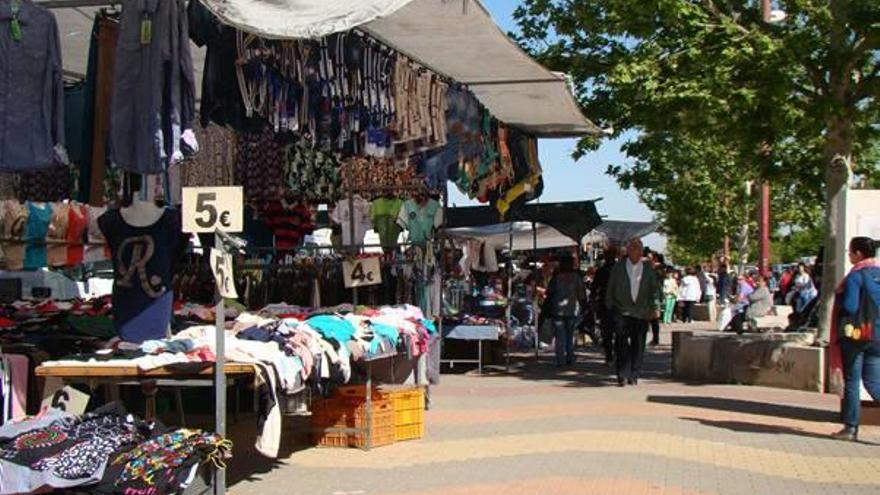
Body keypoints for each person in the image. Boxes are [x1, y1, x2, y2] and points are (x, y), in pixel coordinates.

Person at [832, 237, 880, 442]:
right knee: (874, 382)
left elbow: (850, 306)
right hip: (877, 335)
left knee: (852, 380)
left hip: (856, 335)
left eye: (850, 252)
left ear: (859, 254)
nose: (849, 256)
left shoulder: (855, 276)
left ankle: (851, 428)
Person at [605, 238, 661, 386]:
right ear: (628, 251)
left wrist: (656, 308)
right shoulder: (619, 267)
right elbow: (611, 287)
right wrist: (609, 305)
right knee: (621, 343)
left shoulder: (648, 269)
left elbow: (655, 290)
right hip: (622, 310)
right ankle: (622, 374)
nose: (635, 251)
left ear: (641, 252)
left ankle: (634, 374)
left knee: (638, 344)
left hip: (641, 311)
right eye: (632, 248)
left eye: (638, 248)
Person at [545, 253, 587, 367]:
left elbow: (549, 292)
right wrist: (584, 307)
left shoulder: (556, 277)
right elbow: (581, 294)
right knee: (570, 336)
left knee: (560, 336)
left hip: (558, 310)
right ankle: (569, 356)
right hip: (571, 310)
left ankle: (560, 359)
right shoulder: (576, 277)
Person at [591, 247, 618, 364]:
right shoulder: (620, 270)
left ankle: (609, 355)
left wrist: (592, 300)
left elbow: (594, 288)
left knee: (606, 331)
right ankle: (616, 352)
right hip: (618, 303)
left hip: (605, 303)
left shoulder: (601, 271)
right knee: (618, 330)